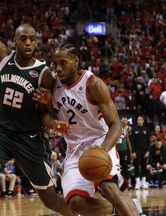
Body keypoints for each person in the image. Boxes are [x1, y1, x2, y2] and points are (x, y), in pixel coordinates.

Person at [0, 1, 72, 216]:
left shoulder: (44, 73)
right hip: (1, 134)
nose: (28, 43)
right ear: (15, 41)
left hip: (30, 138)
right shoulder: (3, 55)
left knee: (50, 200)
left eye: (32, 39)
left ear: (36, 44)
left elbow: (49, 115)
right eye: (23, 38)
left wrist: (46, 103)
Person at [34, 42, 144, 216]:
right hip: (74, 149)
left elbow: (115, 124)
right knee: (76, 204)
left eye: (63, 63)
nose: (58, 68)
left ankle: (130, 211)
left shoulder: (93, 84)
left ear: (75, 61)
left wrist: (102, 149)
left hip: (99, 141)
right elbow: (44, 116)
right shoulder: (52, 86)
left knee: (108, 187)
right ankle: (127, 207)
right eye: (55, 64)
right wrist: (54, 123)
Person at [131, 115, 151, 190]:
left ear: (143, 121)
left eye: (141, 120)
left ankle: (143, 182)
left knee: (144, 166)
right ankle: (137, 182)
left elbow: (148, 141)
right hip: (137, 151)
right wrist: (133, 152)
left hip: (145, 151)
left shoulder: (146, 130)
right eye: (138, 120)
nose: (139, 121)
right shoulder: (134, 129)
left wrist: (148, 151)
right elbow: (132, 142)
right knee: (137, 166)